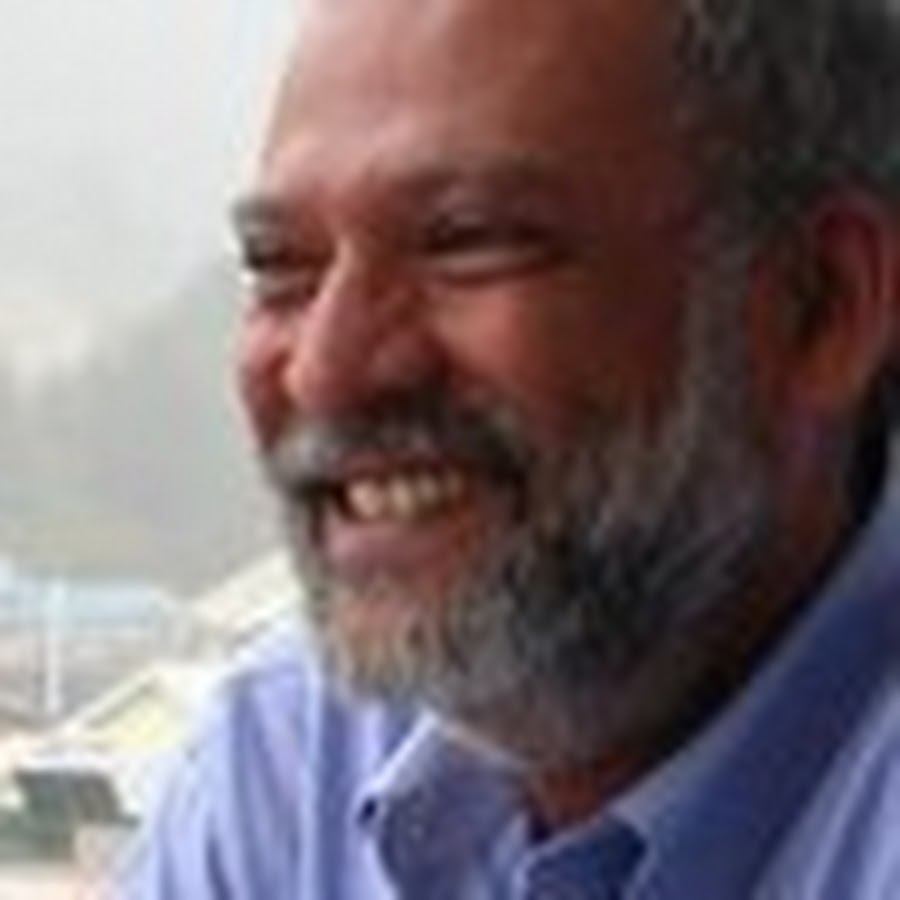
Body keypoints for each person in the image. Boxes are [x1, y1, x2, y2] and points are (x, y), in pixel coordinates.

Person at [119, 0, 900, 896]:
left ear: (819, 305)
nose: (326, 372)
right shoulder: (284, 772)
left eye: (467, 240)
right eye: (280, 267)